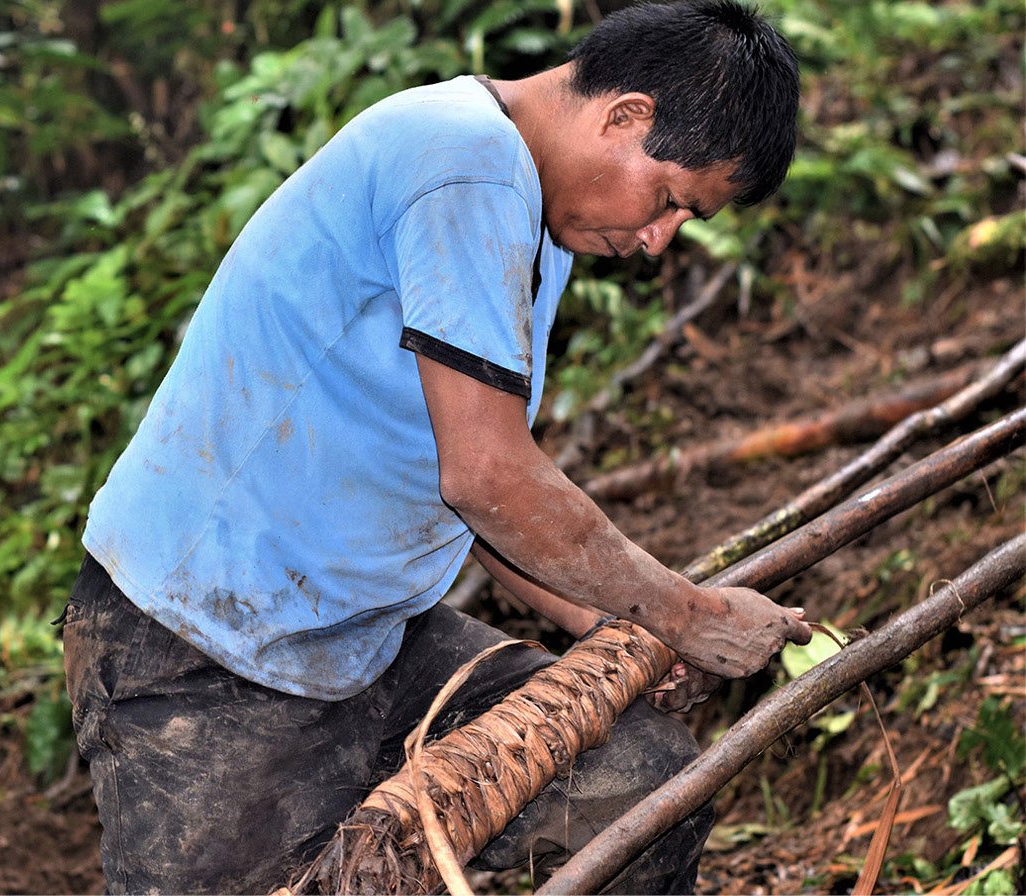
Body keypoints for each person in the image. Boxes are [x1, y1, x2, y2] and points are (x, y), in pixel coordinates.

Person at [62, 2, 813, 892]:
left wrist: (624, 632)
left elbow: (483, 489)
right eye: (668, 202)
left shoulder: (530, 210)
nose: (656, 242)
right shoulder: (466, 166)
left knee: (644, 794)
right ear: (625, 116)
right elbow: (490, 479)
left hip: (366, 636)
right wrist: (683, 612)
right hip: (203, 646)